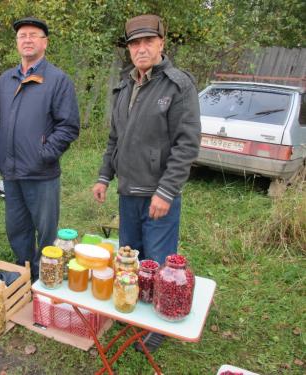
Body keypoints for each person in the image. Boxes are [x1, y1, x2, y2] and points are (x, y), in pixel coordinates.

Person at [92, 14, 201, 351]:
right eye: (134, 44)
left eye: (147, 42)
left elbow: (187, 144)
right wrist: (103, 176)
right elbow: (115, 138)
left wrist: (166, 191)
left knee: (158, 261)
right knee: (132, 259)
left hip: (158, 196)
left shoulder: (178, 85)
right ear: (129, 50)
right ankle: (134, 310)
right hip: (128, 192)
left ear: (161, 44)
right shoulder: (124, 85)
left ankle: (157, 327)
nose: (141, 49)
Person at [0, 17, 80, 280]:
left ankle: (45, 276)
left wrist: (44, 154)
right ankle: (25, 272)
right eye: (22, 35)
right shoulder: (6, 79)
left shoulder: (57, 80)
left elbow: (68, 126)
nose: (27, 39)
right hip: (12, 171)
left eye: (33, 35)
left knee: (46, 230)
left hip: (41, 173)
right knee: (16, 228)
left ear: (45, 42)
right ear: (17, 43)